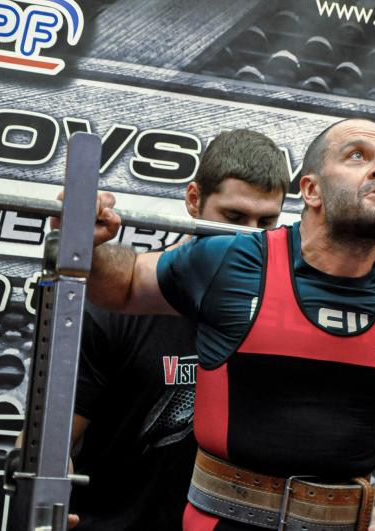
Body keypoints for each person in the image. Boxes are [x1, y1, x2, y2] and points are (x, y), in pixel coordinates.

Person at [78, 118, 375, 531]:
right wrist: (85, 242)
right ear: (311, 191)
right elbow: (124, 284)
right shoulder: (234, 259)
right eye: (358, 156)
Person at [67, 129, 289, 531]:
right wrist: (46, 490)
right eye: (234, 218)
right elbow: (47, 443)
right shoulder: (117, 308)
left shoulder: (279, 316)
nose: (250, 237)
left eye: (266, 222)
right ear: (193, 199)